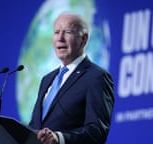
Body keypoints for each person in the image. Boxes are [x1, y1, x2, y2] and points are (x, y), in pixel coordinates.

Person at [28, 12, 115, 144]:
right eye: (57, 32)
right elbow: (35, 126)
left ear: (84, 39)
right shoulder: (47, 79)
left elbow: (97, 131)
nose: (60, 38)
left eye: (68, 32)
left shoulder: (97, 77)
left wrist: (59, 138)